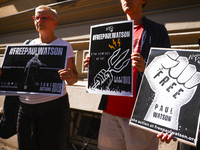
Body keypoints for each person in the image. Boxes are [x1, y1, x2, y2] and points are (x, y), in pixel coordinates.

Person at [84, 0, 170, 149]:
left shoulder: (157, 31)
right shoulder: (110, 32)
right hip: (110, 112)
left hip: (140, 116)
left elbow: (167, 73)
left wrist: (146, 69)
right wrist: (94, 64)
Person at [0, 5, 78, 150]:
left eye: (44, 17)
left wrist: (69, 76)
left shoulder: (64, 46)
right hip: (25, 108)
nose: (39, 20)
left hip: (53, 108)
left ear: (55, 22)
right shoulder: (27, 45)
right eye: (36, 17)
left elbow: (74, 79)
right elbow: (15, 75)